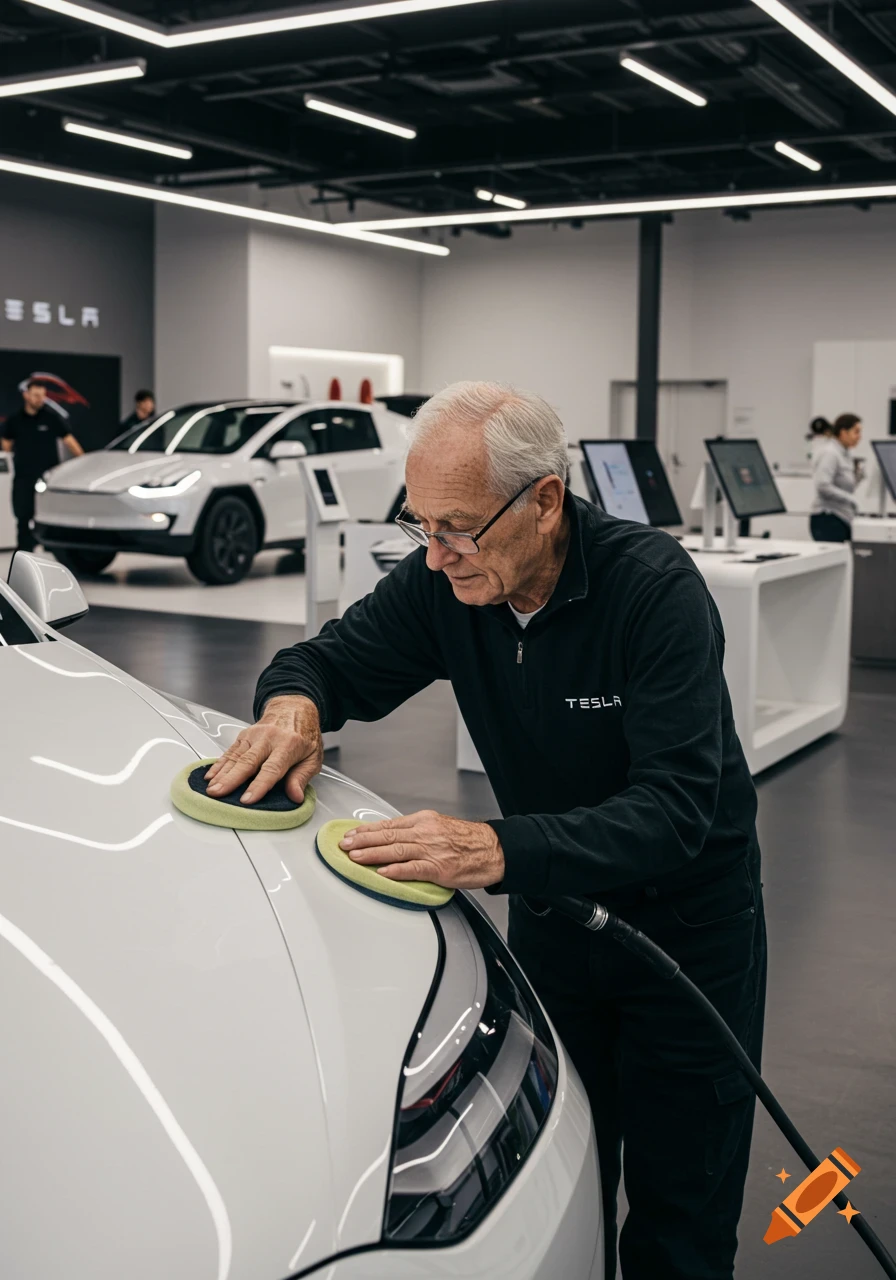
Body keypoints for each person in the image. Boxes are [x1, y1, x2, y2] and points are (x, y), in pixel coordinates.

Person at [204, 382, 766, 1279]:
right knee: (559, 1181)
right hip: (554, 926)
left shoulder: (654, 590)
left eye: (456, 527)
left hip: (688, 939)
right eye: (419, 525)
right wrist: (295, 708)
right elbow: (322, 659)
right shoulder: (448, 586)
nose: (434, 556)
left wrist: (493, 849)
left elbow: (675, 811)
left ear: (544, 501)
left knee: (681, 1220)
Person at [1, 379, 84, 551]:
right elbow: (6, 443)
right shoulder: (15, 420)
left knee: (51, 516)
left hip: (47, 478)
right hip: (24, 476)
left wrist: (84, 462)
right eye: (36, 395)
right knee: (23, 517)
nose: (40, 399)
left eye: (42, 396)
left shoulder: (52, 418)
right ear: (26, 395)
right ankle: (24, 553)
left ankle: (53, 552)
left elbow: (69, 441)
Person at [810, 412, 862, 542]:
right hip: (827, 519)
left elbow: (846, 487)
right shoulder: (831, 453)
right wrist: (851, 499)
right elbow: (822, 486)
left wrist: (859, 476)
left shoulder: (846, 454)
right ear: (843, 432)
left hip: (842, 517)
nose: (859, 437)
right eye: (856, 432)